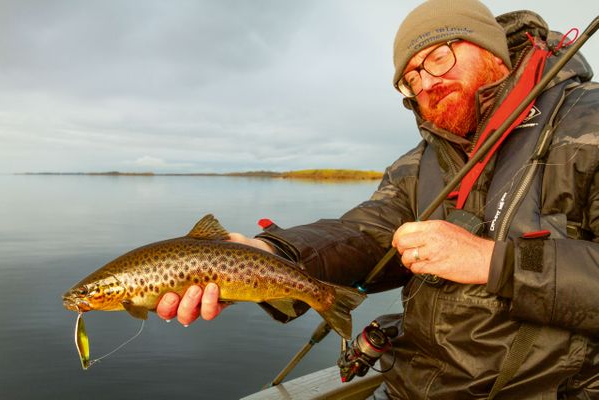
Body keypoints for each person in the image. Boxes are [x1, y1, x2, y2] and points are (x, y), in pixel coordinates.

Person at [157, 0, 599, 398]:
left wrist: (496, 262)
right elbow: (362, 232)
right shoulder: (417, 164)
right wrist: (269, 252)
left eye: (438, 58)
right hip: (407, 387)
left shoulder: (589, 124)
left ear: (489, 49)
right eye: (411, 78)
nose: (426, 83)